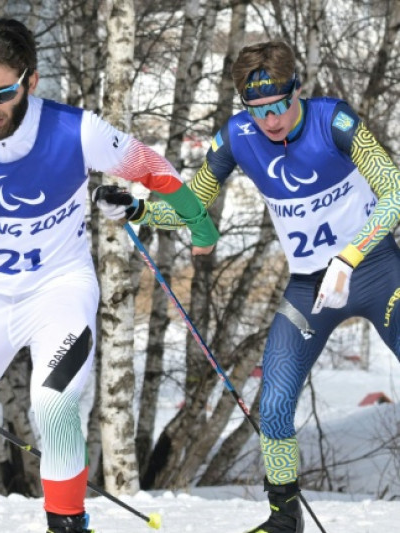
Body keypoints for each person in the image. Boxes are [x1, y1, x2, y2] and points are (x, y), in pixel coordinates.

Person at [0, 18, 219, 533]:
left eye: (2, 93)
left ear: (30, 81)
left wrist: (199, 223)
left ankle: (68, 524)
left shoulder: (76, 130)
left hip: (60, 291)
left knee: (53, 408)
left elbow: (152, 167)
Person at [93, 41, 400, 533]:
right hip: (309, 288)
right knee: (274, 404)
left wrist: (352, 255)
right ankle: (283, 519)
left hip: (377, 270)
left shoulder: (333, 122)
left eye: (279, 106)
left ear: (297, 90)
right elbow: (192, 208)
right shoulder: (238, 137)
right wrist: (138, 208)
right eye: (257, 111)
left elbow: (395, 190)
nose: (270, 121)